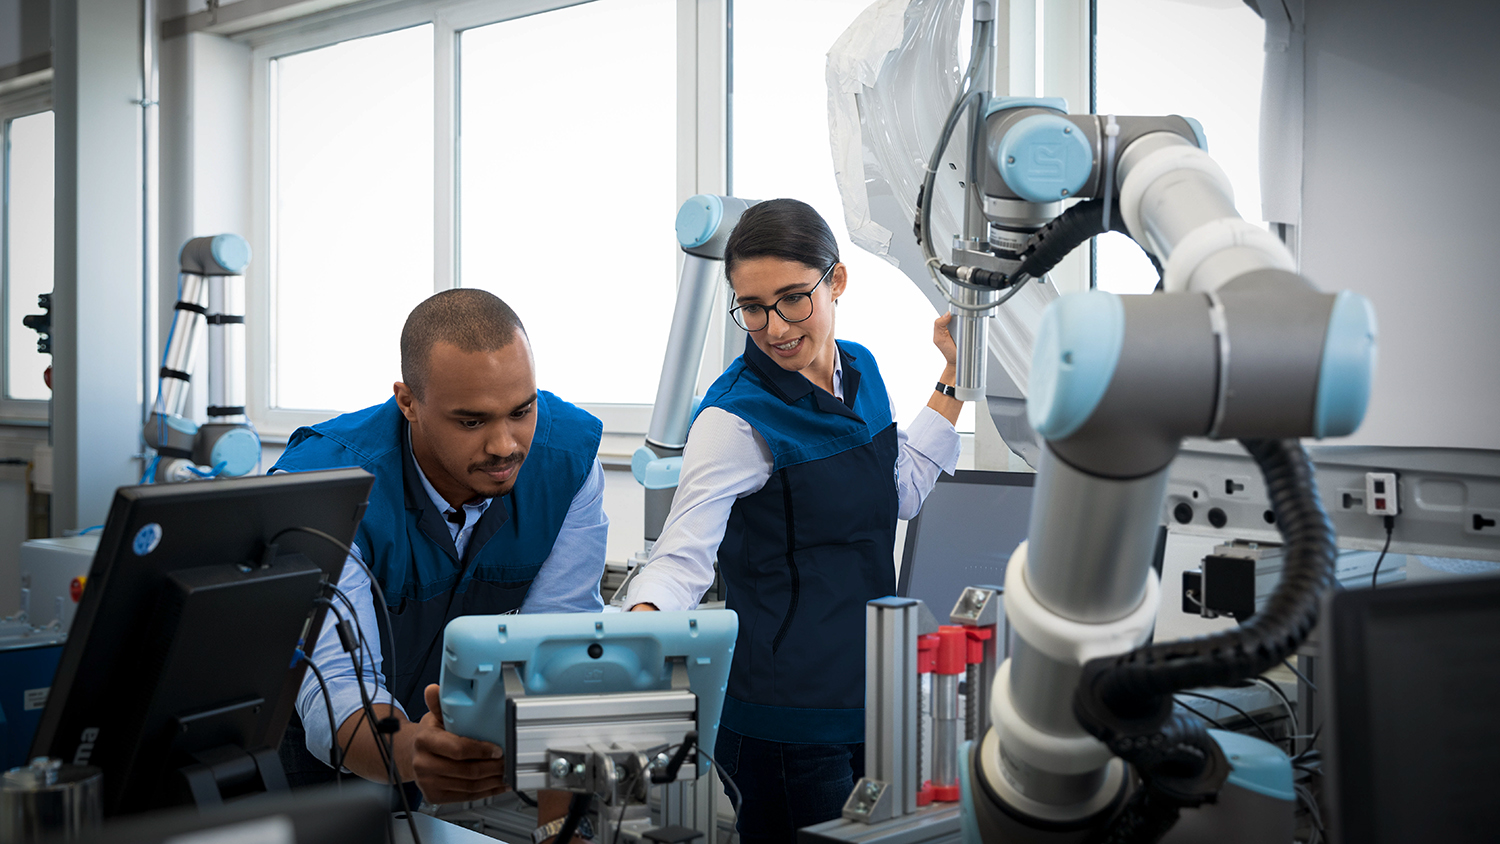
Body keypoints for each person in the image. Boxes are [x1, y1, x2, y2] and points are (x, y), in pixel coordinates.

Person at [624, 199, 966, 840]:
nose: (773, 327)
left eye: (791, 299)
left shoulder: (862, 371)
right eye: (752, 307)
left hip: (871, 692)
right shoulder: (734, 419)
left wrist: (953, 374)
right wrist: (635, 638)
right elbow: (681, 557)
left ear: (835, 281)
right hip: (784, 717)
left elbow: (896, 497)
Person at [273, 289, 607, 836]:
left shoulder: (568, 463)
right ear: (407, 401)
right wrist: (413, 752)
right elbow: (337, 684)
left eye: (522, 411)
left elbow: (558, 660)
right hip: (317, 740)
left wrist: (560, 834)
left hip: (414, 727)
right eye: (471, 422)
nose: (505, 445)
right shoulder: (324, 487)